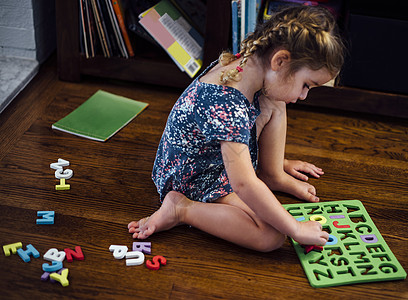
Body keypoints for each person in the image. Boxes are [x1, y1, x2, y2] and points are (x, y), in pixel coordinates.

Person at [128, 5, 345, 252]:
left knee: (277, 96)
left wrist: (274, 164)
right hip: (195, 177)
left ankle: (272, 173)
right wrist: (295, 228)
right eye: (306, 84)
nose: (305, 95)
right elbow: (243, 184)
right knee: (271, 237)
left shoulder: (250, 64)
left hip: (216, 158)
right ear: (280, 60)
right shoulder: (227, 101)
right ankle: (182, 209)